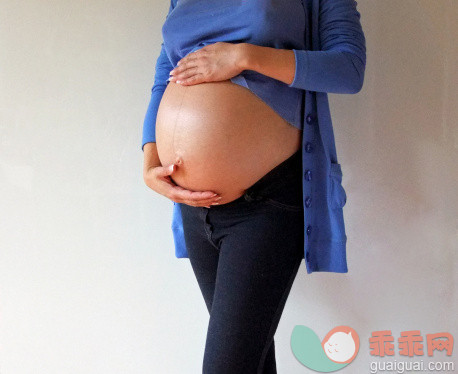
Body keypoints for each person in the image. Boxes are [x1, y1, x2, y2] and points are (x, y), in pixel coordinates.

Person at [142, 0, 366, 372]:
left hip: (266, 202)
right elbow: (167, 67)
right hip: (194, 208)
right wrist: (150, 156)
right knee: (254, 362)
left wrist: (244, 57)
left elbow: (348, 69)